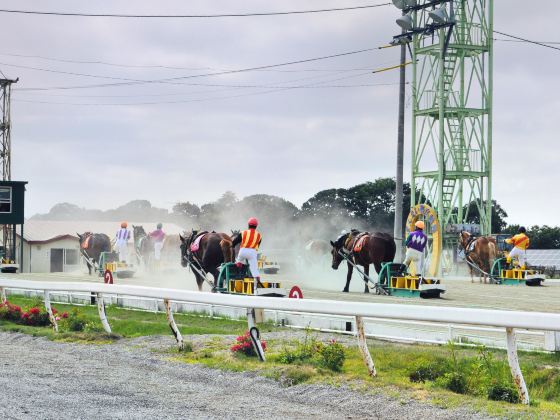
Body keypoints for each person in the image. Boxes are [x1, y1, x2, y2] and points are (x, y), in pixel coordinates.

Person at [233, 217, 262, 289]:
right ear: (256, 226)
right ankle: (257, 285)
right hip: (252, 252)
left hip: (243, 251)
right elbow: (258, 246)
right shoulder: (259, 235)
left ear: (248, 225)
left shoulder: (243, 232)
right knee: (254, 269)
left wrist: (231, 245)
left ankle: (239, 274)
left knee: (239, 260)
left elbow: (235, 242)